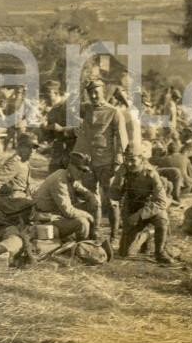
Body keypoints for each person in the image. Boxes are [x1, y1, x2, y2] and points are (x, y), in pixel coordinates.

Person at [72, 78, 128, 244]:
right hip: (88, 163)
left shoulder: (114, 112)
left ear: (104, 92)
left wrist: (118, 162)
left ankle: (114, 236)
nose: (94, 96)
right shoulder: (86, 109)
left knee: (112, 201)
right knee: (92, 198)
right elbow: (70, 105)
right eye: (91, 93)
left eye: (97, 92)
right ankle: (94, 232)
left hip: (107, 162)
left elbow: (121, 138)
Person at [113, 145, 173, 264]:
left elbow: (161, 202)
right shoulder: (123, 170)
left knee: (162, 219)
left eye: (133, 160)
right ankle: (147, 234)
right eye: (126, 159)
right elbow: (114, 196)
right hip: (132, 210)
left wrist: (140, 215)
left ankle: (160, 252)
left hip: (150, 209)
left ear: (141, 159)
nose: (129, 164)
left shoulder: (151, 174)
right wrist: (119, 180)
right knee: (125, 253)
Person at [32, 152, 99, 241]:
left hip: (57, 214)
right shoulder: (59, 180)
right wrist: (88, 215)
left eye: (84, 171)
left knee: (91, 204)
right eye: (79, 169)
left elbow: (85, 191)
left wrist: (91, 197)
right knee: (83, 222)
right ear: (70, 166)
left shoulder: (69, 177)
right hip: (46, 219)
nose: (82, 173)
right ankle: (83, 247)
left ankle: (91, 238)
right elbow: (69, 212)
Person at [41, 80, 75, 172]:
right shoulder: (51, 111)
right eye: (44, 95)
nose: (45, 98)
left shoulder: (68, 107)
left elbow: (81, 128)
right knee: (52, 174)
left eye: (48, 95)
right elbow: (50, 135)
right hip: (58, 150)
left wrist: (62, 129)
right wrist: (44, 128)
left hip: (72, 149)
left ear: (56, 93)